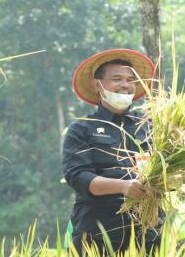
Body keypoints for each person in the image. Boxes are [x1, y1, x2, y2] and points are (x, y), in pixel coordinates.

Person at [62, 49, 160, 255]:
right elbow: (79, 177)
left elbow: (165, 169)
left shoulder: (149, 127)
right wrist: (124, 186)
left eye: (130, 80)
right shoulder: (82, 128)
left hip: (147, 233)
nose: (125, 85)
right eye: (117, 78)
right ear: (98, 85)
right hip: (97, 233)